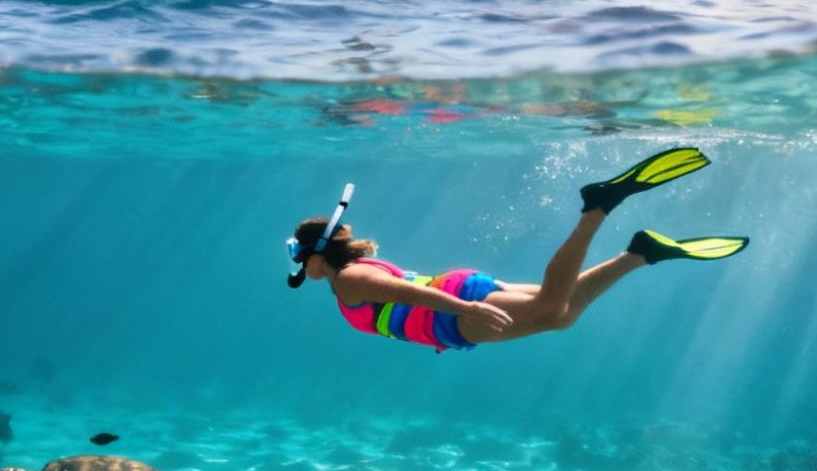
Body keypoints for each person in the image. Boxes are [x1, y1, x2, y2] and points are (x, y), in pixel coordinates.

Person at [286, 147, 746, 351]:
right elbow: (403, 300)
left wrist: (465, 311)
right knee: (560, 313)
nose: (303, 269)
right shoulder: (359, 267)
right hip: (453, 305)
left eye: (301, 259)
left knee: (550, 309)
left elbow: (408, 296)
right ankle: (641, 253)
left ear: (317, 254)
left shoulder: (349, 279)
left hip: (455, 310)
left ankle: (597, 208)